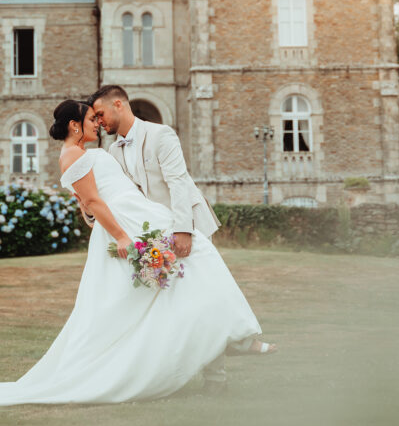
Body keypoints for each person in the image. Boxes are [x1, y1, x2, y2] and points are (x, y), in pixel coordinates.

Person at [0, 100, 267, 410]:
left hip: (139, 216)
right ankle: (230, 338)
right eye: (92, 119)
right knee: (181, 272)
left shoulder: (82, 154)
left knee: (190, 266)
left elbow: (88, 204)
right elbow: (93, 202)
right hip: (126, 224)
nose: (98, 124)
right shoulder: (73, 155)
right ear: (76, 125)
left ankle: (226, 337)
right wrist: (124, 237)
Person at [90, 85, 276, 387]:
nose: (98, 122)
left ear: (119, 105)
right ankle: (184, 369)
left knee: (204, 297)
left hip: (186, 226)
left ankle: (217, 378)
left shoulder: (161, 135)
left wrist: (182, 230)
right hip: (152, 235)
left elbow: (178, 183)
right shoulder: (113, 151)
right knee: (178, 305)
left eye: (100, 114)